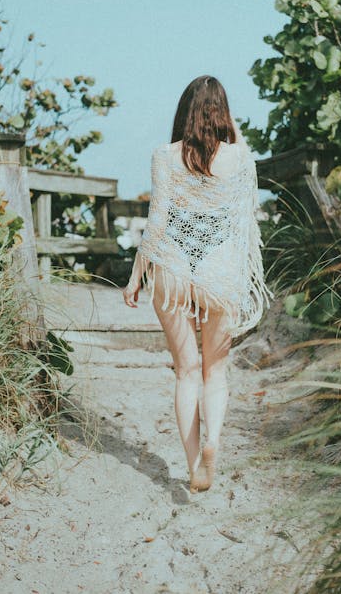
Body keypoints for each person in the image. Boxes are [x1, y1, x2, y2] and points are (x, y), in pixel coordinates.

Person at [123, 75, 273, 493]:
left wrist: (137, 274)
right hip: (219, 274)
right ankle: (213, 442)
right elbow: (246, 219)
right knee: (216, 373)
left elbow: (158, 222)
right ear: (223, 113)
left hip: (172, 271)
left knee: (186, 372)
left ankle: (193, 466)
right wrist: (231, 128)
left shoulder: (164, 156)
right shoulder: (241, 159)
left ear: (184, 111)